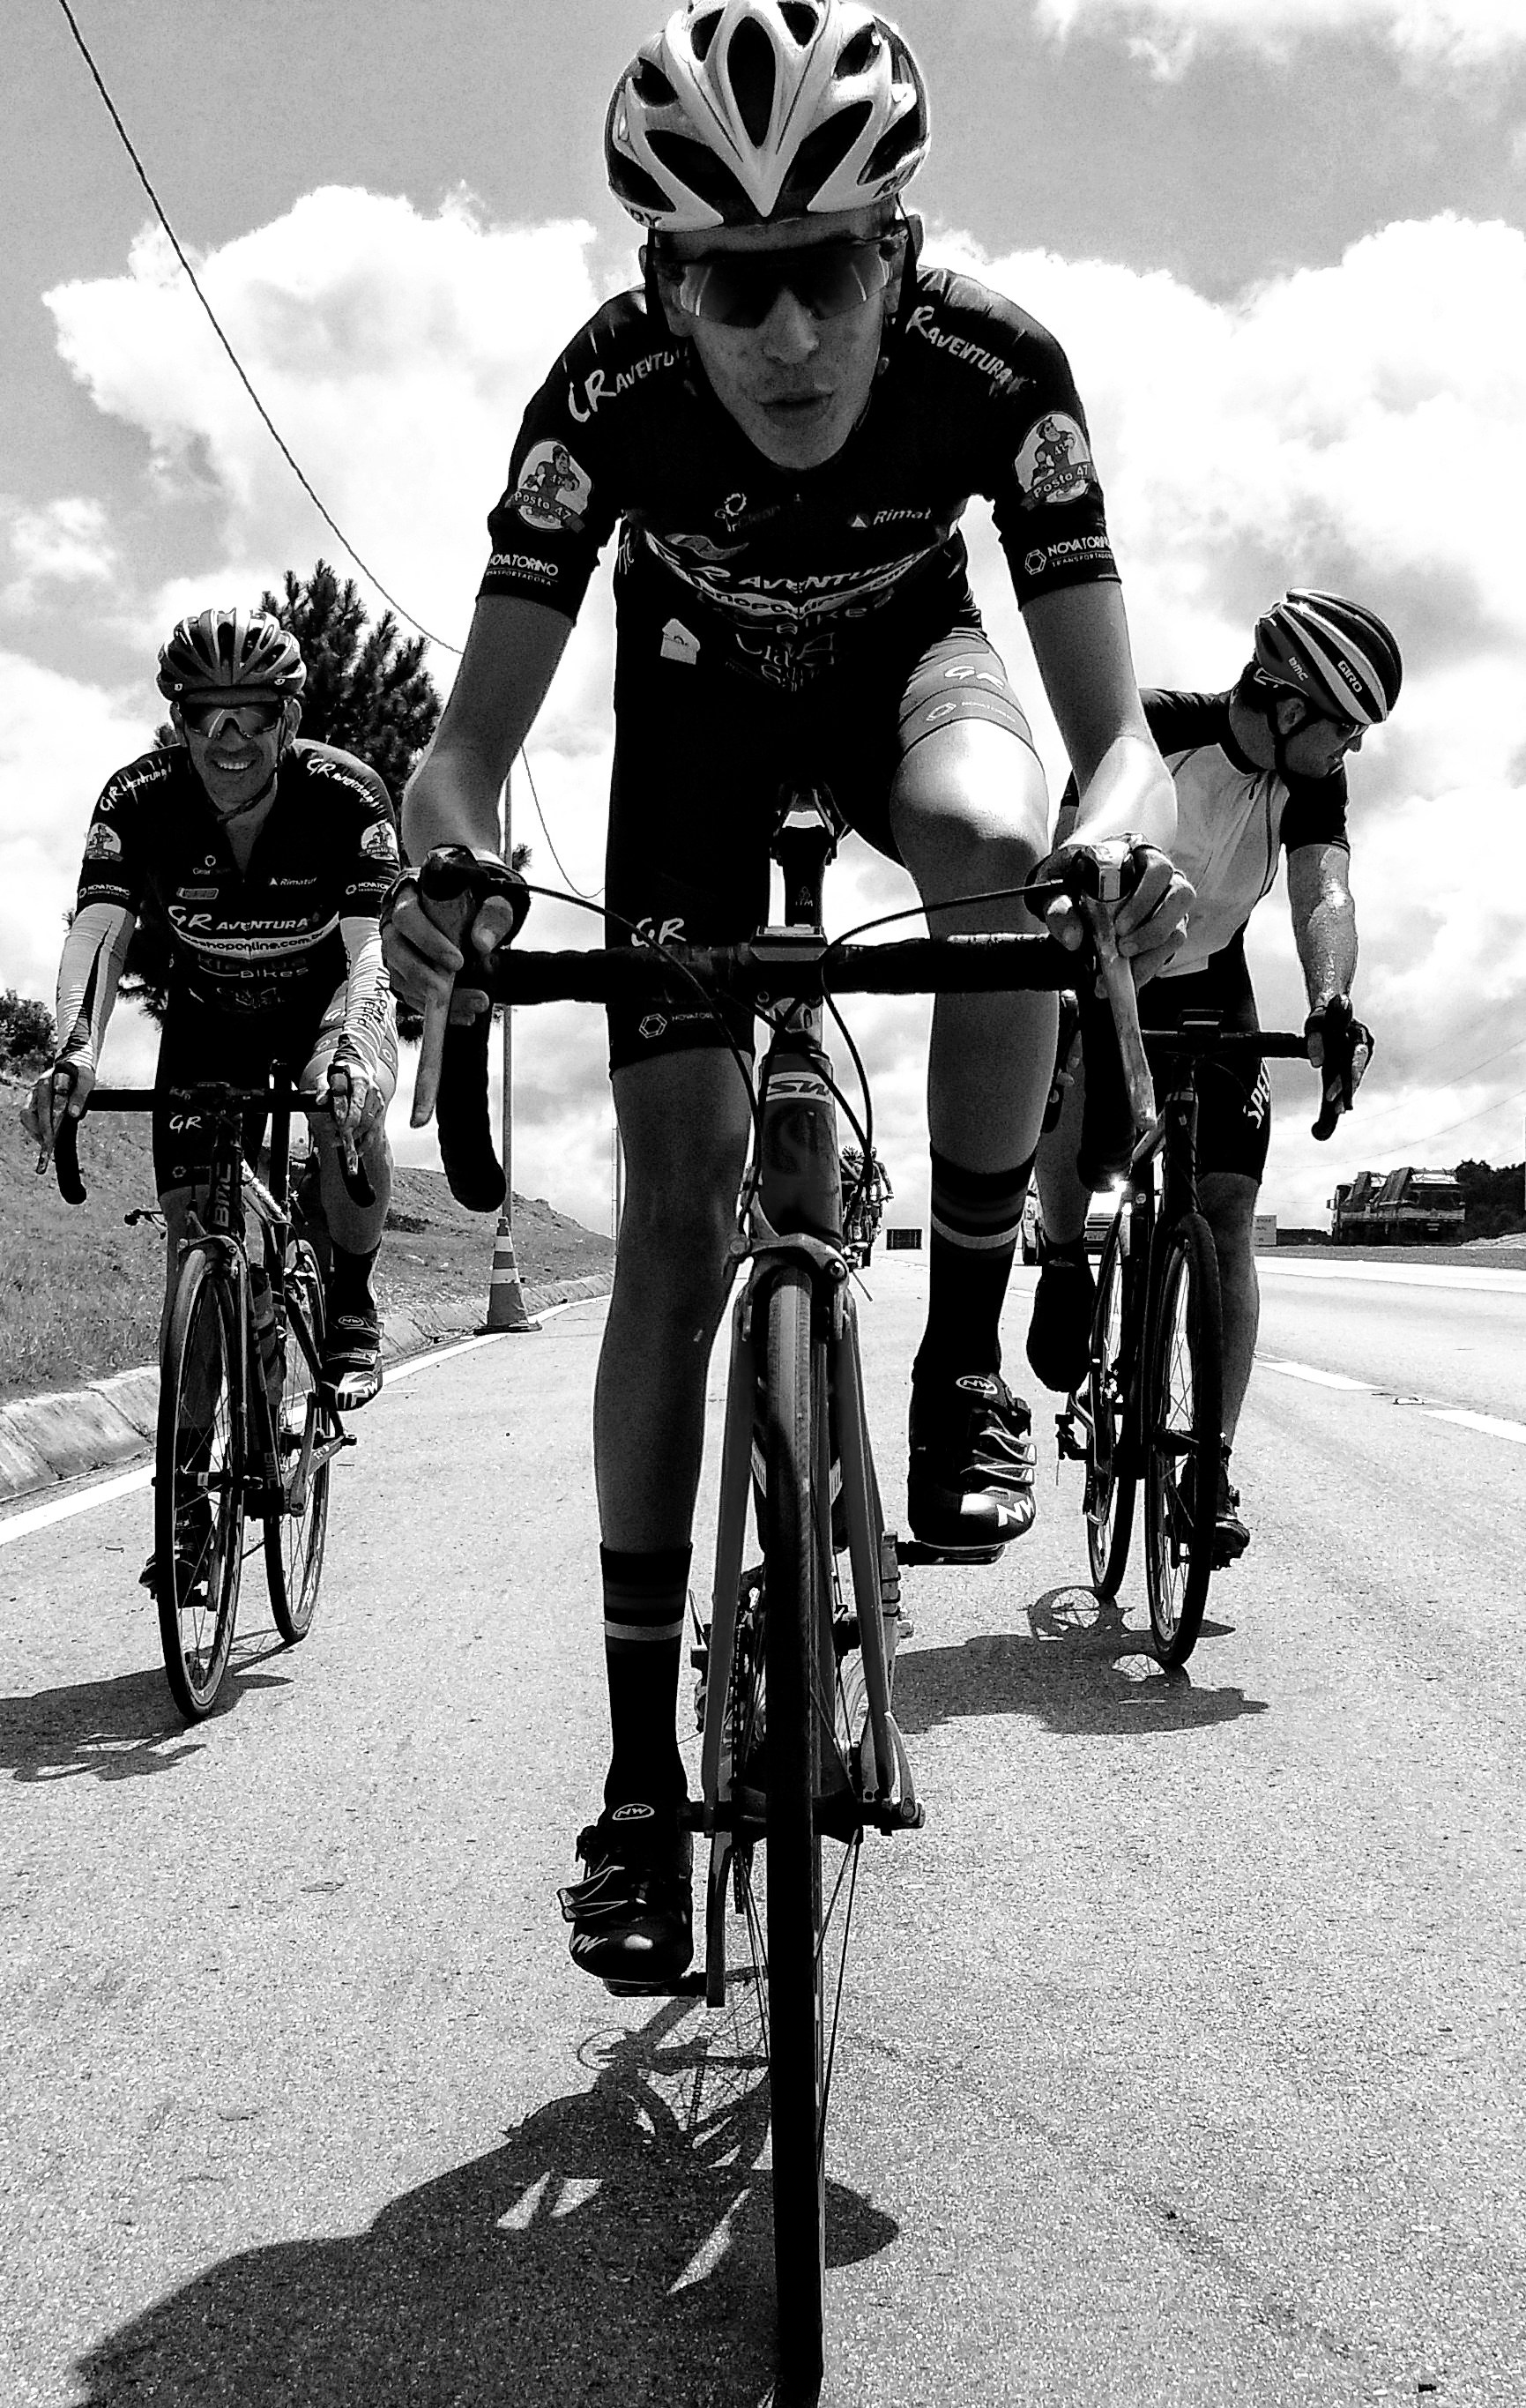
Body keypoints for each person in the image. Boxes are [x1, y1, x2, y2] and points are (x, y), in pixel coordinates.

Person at [385, 0, 1192, 1989]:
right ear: (660, 279)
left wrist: (1123, 836)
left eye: (825, 272)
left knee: (999, 855)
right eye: (729, 287)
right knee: (672, 1223)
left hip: (917, 662)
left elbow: (1120, 742)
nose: (788, 337)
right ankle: (641, 1782)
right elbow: (463, 758)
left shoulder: (997, 367)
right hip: (689, 727)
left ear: (895, 251)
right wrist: (449, 871)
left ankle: (956, 1363)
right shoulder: (600, 398)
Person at [23, 609, 401, 1575]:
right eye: (204, 717)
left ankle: (350, 1303)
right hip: (206, 1022)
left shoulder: (345, 795)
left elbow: (369, 957)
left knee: (347, 1106)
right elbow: (99, 934)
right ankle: (190, 1500)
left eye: (251, 717)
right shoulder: (139, 800)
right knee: (196, 1245)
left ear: (289, 717)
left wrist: (359, 1052)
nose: (226, 740)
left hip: (318, 1006)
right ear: (180, 723)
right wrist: (73, 1048)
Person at [1026, 589, 1400, 1558]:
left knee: (1227, 1210)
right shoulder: (1151, 730)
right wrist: (1078, 1004)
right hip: (1109, 958)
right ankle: (1066, 1257)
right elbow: (1072, 863)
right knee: (1065, 1084)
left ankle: (1212, 1464)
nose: (1349, 751)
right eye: (1345, 730)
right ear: (1285, 708)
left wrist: (1328, 1001)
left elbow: (1326, 892)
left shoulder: (1307, 779)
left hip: (1214, 973)